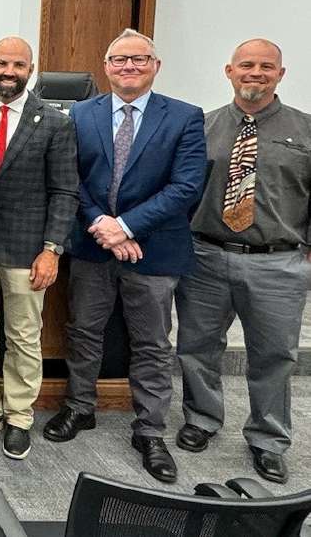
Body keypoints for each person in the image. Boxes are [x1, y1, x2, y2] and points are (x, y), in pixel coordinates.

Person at [42, 29, 206, 484]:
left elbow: (187, 186)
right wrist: (103, 225)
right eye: (119, 59)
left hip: (154, 249)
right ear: (106, 66)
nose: (129, 66)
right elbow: (70, 177)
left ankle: (150, 430)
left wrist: (127, 227)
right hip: (93, 245)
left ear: (156, 65)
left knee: (152, 343)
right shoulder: (81, 113)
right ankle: (80, 407)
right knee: (84, 331)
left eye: (139, 58)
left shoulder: (185, 117)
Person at [175, 38, 311, 484]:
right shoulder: (202, 126)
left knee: (274, 355)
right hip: (206, 255)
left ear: (280, 74)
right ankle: (201, 418)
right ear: (229, 71)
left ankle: (268, 440)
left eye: (266, 66)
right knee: (197, 346)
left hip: (277, 262)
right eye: (247, 65)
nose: (256, 73)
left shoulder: (304, 130)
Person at [0, 37, 78, 461]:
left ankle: (19, 417)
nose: (9, 72)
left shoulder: (55, 123)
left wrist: (52, 249)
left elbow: (65, 191)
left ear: (31, 69)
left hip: (28, 249)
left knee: (23, 336)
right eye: (2, 63)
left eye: (18, 65)